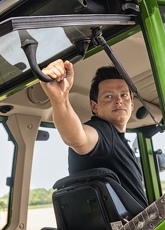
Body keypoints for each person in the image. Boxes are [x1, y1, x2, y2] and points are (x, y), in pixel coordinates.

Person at [40, 59, 148, 209]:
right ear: (94, 107)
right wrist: (59, 99)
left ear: (131, 104)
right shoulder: (103, 132)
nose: (118, 101)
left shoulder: (122, 143)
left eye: (124, 95)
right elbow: (78, 139)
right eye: (109, 96)